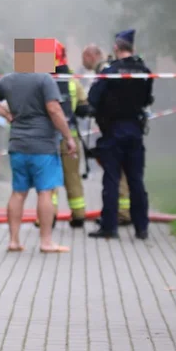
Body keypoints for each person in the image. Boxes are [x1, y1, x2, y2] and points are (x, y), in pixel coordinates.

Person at [0, 58, 78, 253]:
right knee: (45, 191)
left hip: (17, 144)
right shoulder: (45, 79)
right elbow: (54, 109)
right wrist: (68, 137)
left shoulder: (9, 80)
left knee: (18, 192)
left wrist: (6, 114)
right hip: (42, 146)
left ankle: (14, 241)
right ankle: (46, 242)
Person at [87, 29, 153, 240]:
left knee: (112, 180)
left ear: (116, 47)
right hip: (135, 130)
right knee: (136, 181)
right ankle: (141, 228)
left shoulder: (110, 71)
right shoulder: (144, 71)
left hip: (113, 131)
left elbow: (93, 99)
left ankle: (109, 227)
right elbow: (146, 100)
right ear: (132, 47)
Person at [82, 43, 131, 225]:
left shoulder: (105, 71)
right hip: (121, 127)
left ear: (90, 56)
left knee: (116, 171)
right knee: (122, 170)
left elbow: (101, 99)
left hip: (113, 129)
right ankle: (124, 211)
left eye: (83, 58)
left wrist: (90, 107)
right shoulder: (109, 69)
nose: (83, 63)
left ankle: (122, 213)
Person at [53, 41, 88, 228]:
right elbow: (84, 107)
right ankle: (79, 214)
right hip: (70, 137)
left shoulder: (41, 80)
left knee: (49, 178)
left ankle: (47, 217)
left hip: (48, 138)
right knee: (72, 176)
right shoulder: (73, 81)